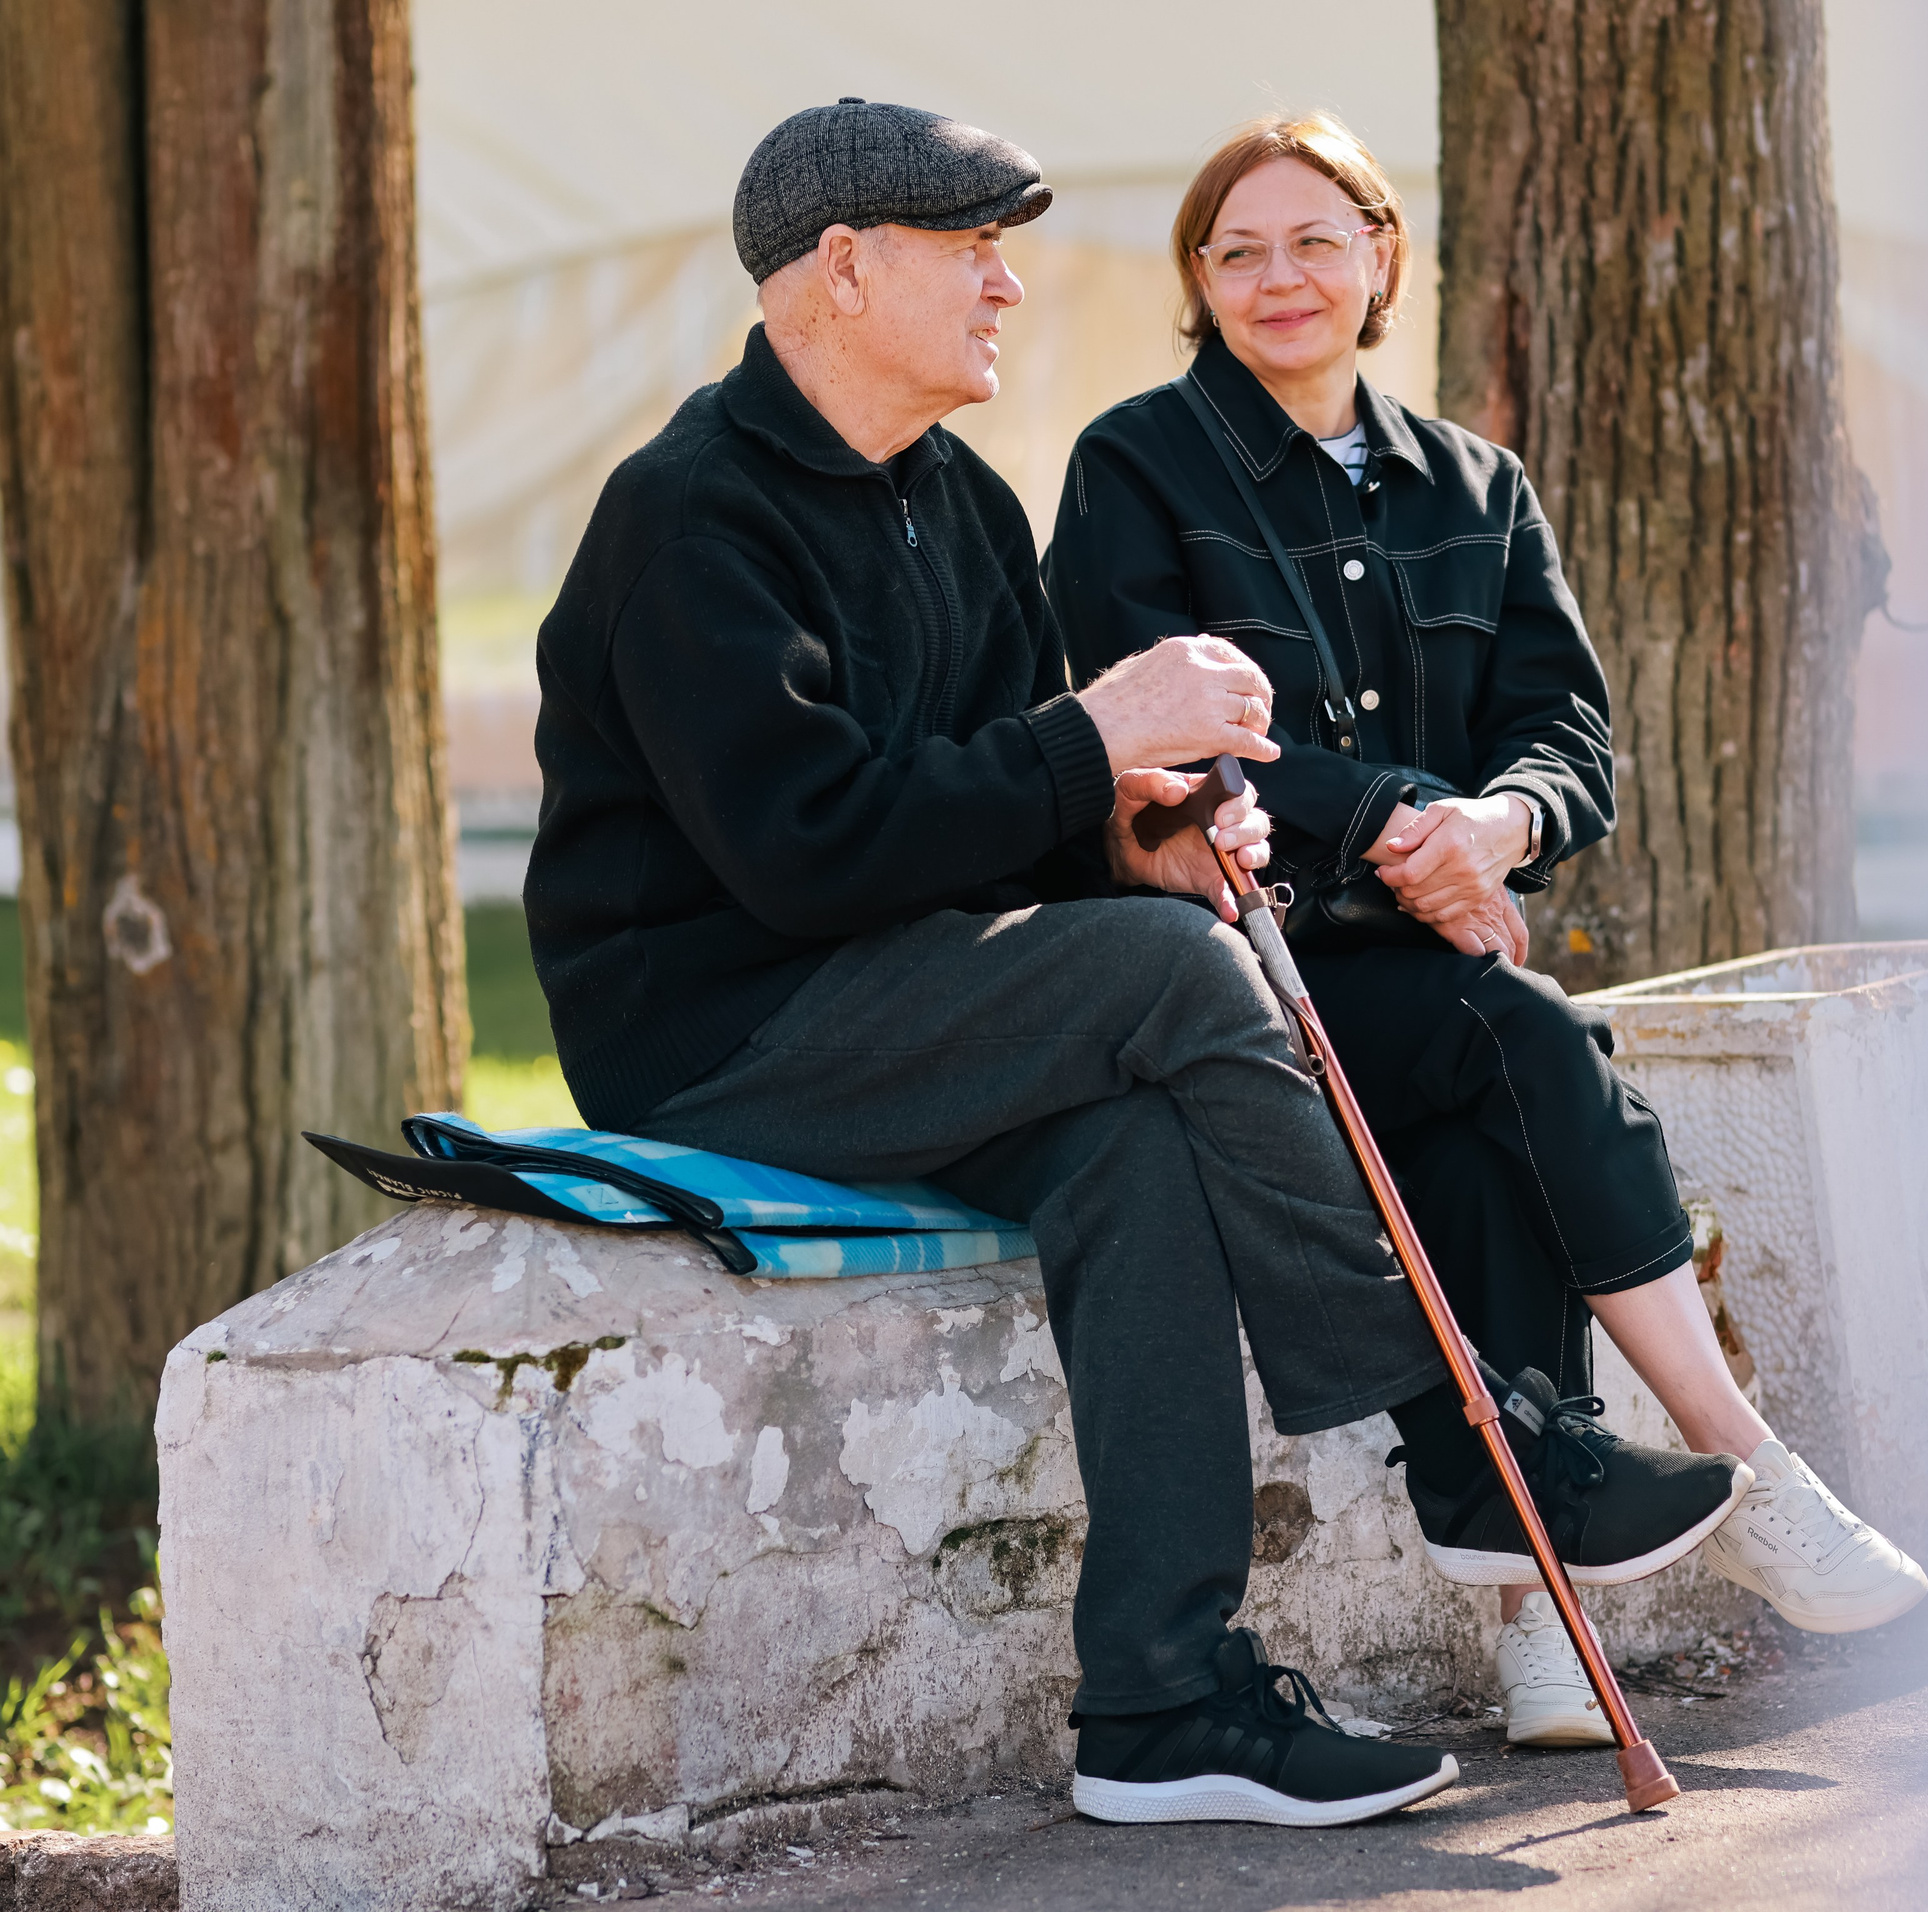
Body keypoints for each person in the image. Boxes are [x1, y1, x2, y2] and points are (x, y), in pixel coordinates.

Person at [525, 98, 1748, 1828]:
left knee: (1139, 1146)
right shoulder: (688, 517)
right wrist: (1097, 736)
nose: (1009, 285)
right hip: (723, 1031)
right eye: (973, 248)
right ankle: (1473, 1440)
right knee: (1174, 980)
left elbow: (991, 820)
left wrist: (1128, 840)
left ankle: (1162, 1706)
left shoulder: (954, 498)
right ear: (845, 270)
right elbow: (808, 852)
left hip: (915, 994)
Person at [1045, 111, 1928, 1750]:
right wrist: (1401, 818)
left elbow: (1570, 736)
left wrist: (1495, 831)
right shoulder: (1135, 467)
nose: (1279, 277)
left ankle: (1545, 1630)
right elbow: (1161, 727)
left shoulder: (1477, 484)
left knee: (1492, 1127)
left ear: (1381, 255)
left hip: (1434, 976)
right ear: (1200, 282)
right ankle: (1748, 1469)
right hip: (1241, 971)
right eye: (1237, 251)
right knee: (1528, 1039)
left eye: (1316, 240)